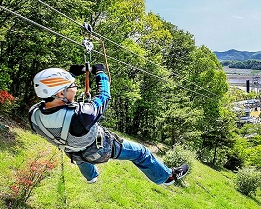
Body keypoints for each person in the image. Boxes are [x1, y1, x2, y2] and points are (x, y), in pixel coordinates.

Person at [29, 64, 189, 185]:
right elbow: (104, 96)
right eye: (72, 86)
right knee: (141, 152)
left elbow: (53, 100)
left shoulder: (34, 114)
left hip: (72, 150)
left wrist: (71, 74)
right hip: (99, 148)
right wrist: (100, 73)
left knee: (79, 155)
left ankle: (91, 177)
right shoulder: (81, 115)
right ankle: (166, 177)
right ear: (59, 93)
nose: (76, 88)